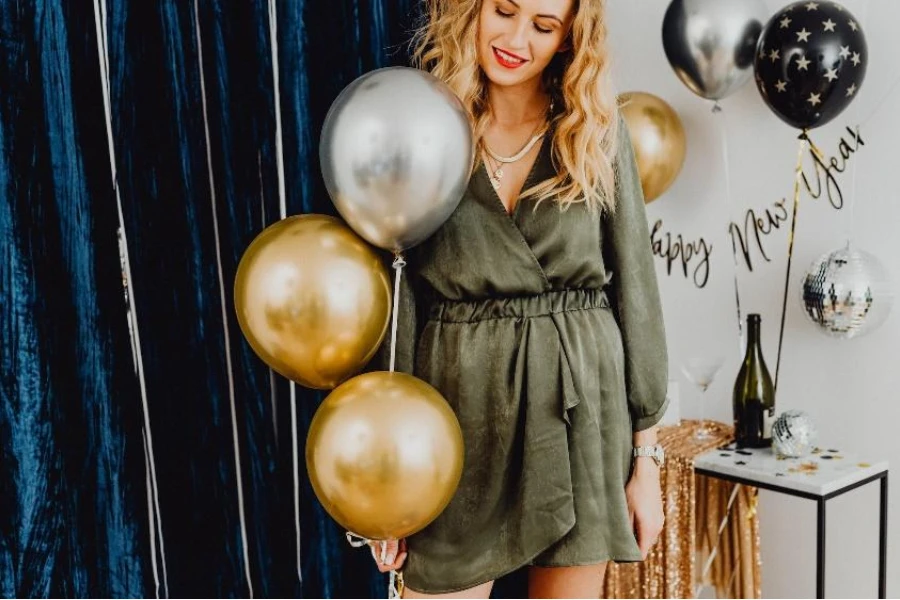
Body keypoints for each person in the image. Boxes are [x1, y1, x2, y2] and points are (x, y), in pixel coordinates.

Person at [368, 0, 669, 597]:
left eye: (543, 25)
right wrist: (389, 484)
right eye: (504, 11)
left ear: (567, 39)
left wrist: (647, 463)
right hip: (457, 410)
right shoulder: (419, 128)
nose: (516, 39)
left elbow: (636, 291)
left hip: (581, 410)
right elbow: (399, 300)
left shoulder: (596, 132)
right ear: (472, 10)